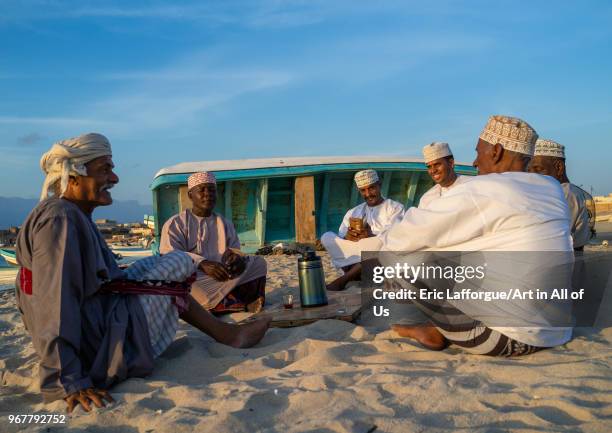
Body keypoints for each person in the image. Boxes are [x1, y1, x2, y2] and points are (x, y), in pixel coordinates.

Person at [15, 133, 270, 412]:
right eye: (105, 170)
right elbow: (54, 303)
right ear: (73, 177)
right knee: (178, 263)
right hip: (95, 345)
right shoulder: (60, 219)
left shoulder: (71, 214)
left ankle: (226, 332)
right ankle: (228, 335)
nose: (114, 178)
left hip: (100, 319)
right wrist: (68, 381)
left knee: (181, 265)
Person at [381, 115, 573, 356]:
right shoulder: (552, 188)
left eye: (478, 152)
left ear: (496, 151)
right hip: (556, 331)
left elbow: (399, 238)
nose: (474, 162)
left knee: (395, 259)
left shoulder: (483, 188)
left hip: (505, 339)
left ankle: (434, 328)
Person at [160, 172, 268, 313]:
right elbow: (169, 255)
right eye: (202, 190)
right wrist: (202, 263)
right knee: (183, 285)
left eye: (212, 190)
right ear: (190, 195)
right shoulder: (175, 223)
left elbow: (234, 250)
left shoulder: (224, 223)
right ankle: (234, 303)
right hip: (196, 277)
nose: (208, 194)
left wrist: (235, 260)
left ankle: (229, 302)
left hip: (223, 275)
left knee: (258, 263)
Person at [321, 169, 404, 291]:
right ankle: (356, 271)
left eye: (371, 188)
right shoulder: (353, 212)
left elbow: (394, 235)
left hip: (380, 255)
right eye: (363, 190)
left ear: (379, 186)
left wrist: (370, 235)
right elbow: (341, 236)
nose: (368, 194)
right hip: (357, 254)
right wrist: (348, 237)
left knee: (380, 243)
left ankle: (346, 278)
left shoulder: (395, 207)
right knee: (327, 237)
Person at [529, 138, 593, 250]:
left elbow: (551, 237)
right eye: (529, 171)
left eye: (538, 169)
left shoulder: (565, 194)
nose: (532, 176)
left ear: (559, 168)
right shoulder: (563, 192)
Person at [418, 142, 472, 208]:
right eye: (429, 167)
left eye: (437, 164)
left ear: (451, 163)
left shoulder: (471, 186)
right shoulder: (426, 199)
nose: (433, 170)